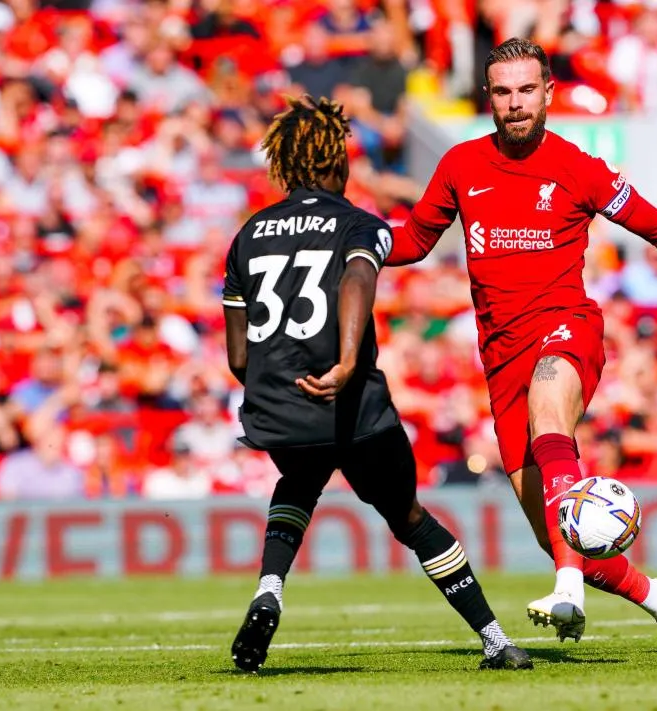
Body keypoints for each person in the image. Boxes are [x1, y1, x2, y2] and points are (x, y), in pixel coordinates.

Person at [387, 38, 657, 652]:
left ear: (548, 93)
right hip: (500, 356)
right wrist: (350, 240)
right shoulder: (461, 165)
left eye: (527, 90)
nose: (516, 103)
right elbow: (413, 242)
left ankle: (568, 588)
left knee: (550, 407)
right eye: (503, 92)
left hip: (566, 327)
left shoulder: (578, 168)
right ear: (488, 98)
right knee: (561, 535)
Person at [223, 95, 531, 672]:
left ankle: (269, 588)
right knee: (408, 516)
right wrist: (344, 364)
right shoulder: (361, 224)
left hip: (280, 407)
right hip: (355, 406)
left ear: (285, 165)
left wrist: (277, 387)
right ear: (334, 161)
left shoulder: (248, 234)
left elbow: (239, 355)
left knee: (299, 481)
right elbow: (359, 278)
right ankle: (494, 639)